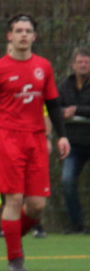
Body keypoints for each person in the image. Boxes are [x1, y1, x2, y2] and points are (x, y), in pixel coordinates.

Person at [0, 14, 69, 271]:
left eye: (28, 31)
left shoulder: (44, 67)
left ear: (34, 37)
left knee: (37, 205)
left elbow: (53, 104)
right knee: (14, 199)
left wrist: (62, 135)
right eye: (18, 31)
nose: (23, 35)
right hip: (8, 138)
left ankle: (12, 236)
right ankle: (15, 259)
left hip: (36, 138)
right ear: (10, 36)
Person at [57, 47, 90, 233]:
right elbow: (55, 107)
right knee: (67, 181)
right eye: (80, 62)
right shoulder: (65, 85)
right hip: (74, 144)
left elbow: (76, 109)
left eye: (86, 61)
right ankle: (76, 224)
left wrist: (76, 110)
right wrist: (63, 112)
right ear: (73, 65)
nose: (83, 65)